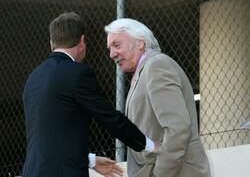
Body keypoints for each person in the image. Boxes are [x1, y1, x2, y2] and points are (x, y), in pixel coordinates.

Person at [22, 12, 159, 177]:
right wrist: (150, 145)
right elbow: (109, 118)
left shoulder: (33, 78)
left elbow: (50, 137)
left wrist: (91, 161)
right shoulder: (77, 73)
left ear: (52, 42)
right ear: (82, 41)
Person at [105, 18, 211, 177]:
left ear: (140, 43)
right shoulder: (143, 71)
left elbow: (178, 128)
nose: (112, 54)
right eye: (109, 48)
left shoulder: (156, 66)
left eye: (117, 45)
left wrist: (160, 173)